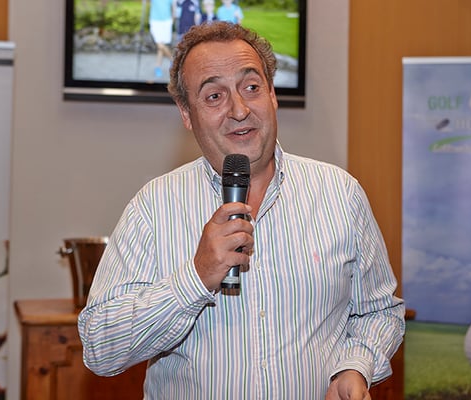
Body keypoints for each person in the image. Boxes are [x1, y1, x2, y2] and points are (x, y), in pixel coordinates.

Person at [78, 22, 405, 399]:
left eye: (251, 87)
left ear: (272, 94)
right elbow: (100, 347)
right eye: (214, 96)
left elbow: (379, 312)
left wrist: (355, 367)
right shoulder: (152, 208)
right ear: (186, 113)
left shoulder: (339, 194)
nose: (239, 109)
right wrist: (196, 277)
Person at [148, 0, 175, 78]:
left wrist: (172, 19)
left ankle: (158, 67)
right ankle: (173, 61)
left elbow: (173, 7)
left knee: (161, 47)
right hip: (155, 21)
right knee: (160, 45)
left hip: (166, 22)